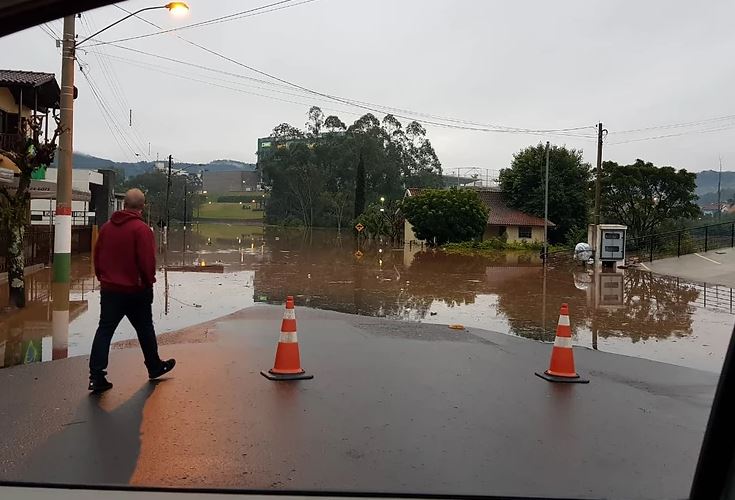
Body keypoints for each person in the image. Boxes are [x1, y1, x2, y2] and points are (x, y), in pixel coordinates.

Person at [88, 188, 175, 393]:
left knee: (104, 330)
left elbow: (97, 256)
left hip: (110, 290)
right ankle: (154, 366)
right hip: (136, 291)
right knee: (145, 328)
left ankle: (96, 376)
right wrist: (148, 282)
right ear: (142, 207)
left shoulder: (107, 228)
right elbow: (147, 262)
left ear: (124, 205)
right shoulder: (142, 230)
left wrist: (103, 278)